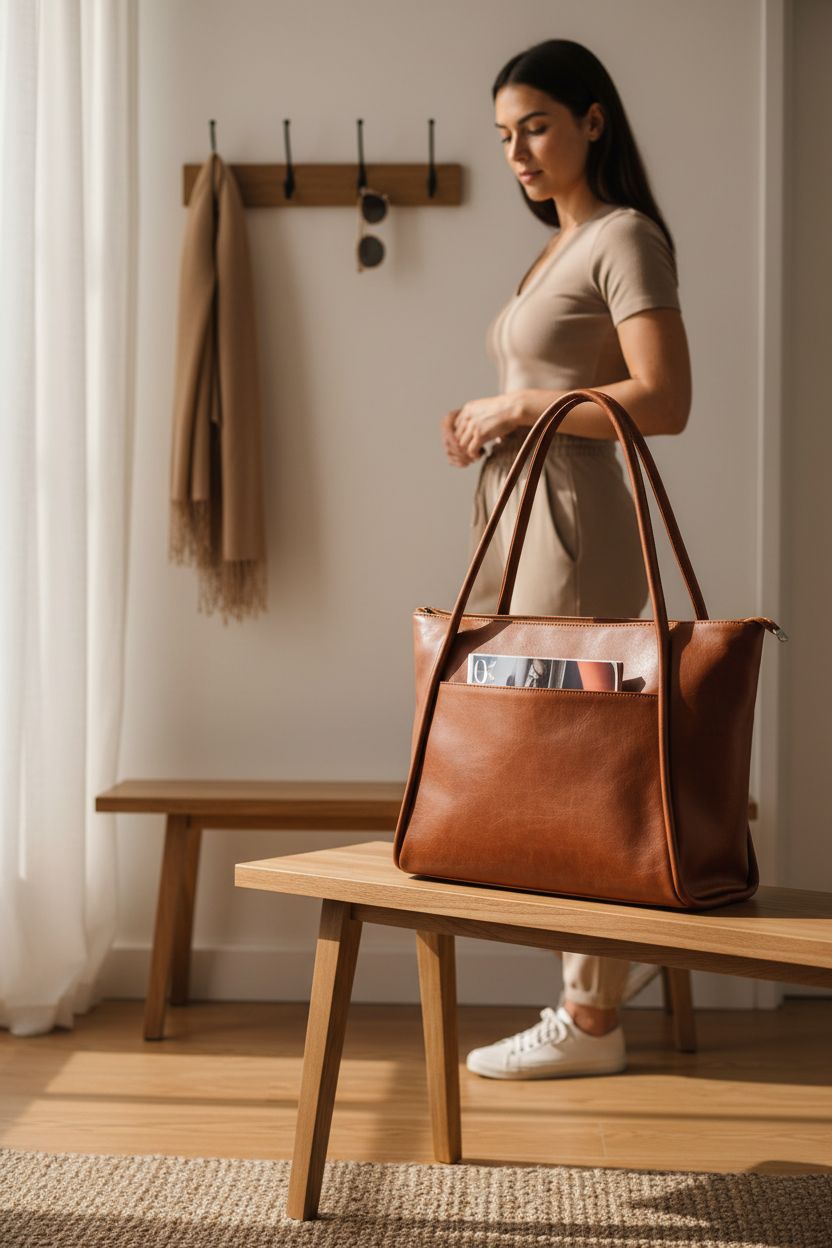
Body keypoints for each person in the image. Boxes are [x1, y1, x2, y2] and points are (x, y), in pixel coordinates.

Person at [441, 39, 692, 1080]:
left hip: (577, 536)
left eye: (535, 126)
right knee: (545, 761)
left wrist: (516, 405)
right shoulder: (554, 249)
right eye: (504, 137)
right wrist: (484, 420)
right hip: (523, 527)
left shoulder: (623, 239)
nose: (518, 154)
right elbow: (556, 381)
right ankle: (588, 1005)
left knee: (581, 764)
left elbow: (664, 401)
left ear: (593, 120)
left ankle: (591, 1019)